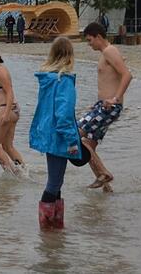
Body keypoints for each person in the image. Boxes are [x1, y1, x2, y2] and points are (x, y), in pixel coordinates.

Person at [29, 37, 82, 230]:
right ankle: (47, 231)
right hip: (59, 136)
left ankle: (55, 228)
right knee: (54, 183)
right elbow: (64, 114)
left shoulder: (48, 79)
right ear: (69, 56)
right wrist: (72, 140)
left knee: (56, 182)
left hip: (47, 133)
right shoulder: (63, 80)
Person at [79, 22, 132, 192]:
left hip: (109, 107)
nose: (89, 44)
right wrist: (97, 103)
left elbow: (127, 75)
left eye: (90, 40)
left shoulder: (109, 51)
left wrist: (115, 98)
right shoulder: (106, 53)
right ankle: (106, 188)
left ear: (98, 37)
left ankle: (104, 173)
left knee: (75, 135)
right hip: (102, 106)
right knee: (88, 144)